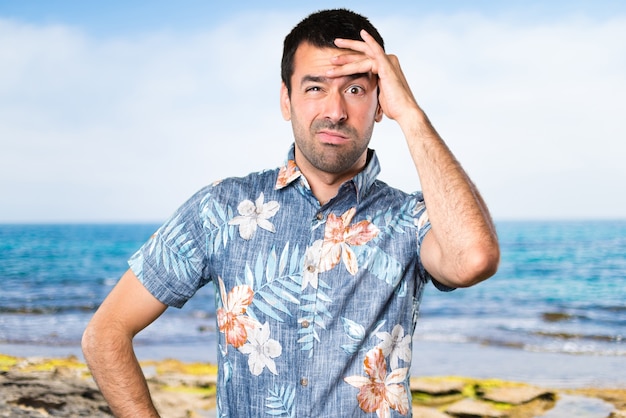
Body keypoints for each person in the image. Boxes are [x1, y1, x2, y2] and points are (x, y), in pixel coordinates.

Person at [82, 8, 500, 417]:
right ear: (287, 99)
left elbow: (473, 259)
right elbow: (105, 333)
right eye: (315, 88)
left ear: (380, 103)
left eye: (355, 90)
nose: (335, 110)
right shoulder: (222, 209)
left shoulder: (410, 219)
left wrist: (411, 114)